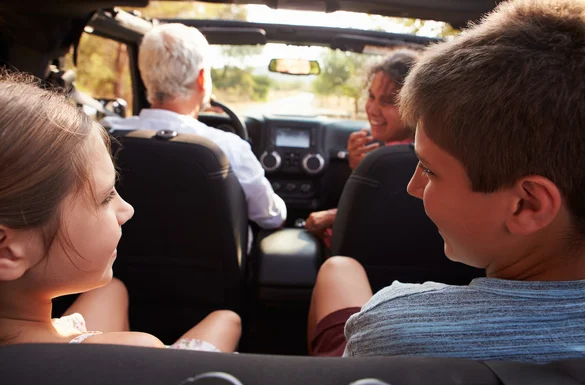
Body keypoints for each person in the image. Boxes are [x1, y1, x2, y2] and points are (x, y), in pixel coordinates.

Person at [308, 0, 585, 363]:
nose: (413, 187)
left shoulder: (393, 331)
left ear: (527, 205)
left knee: (339, 267)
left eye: (429, 170)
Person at [0, 75, 241, 352]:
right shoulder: (138, 353)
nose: (127, 210)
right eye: (105, 198)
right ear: (6, 251)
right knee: (227, 319)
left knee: (112, 288)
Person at [102, 23, 286, 232]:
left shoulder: (105, 136)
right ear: (201, 78)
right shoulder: (228, 147)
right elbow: (271, 218)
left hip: (122, 264)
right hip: (217, 265)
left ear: (145, 77)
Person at [305, 50, 419, 242]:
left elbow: (392, 218)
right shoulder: (405, 151)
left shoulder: (406, 158)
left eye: (388, 101)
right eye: (371, 97)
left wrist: (331, 217)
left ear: (415, 105)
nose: (372, 109)